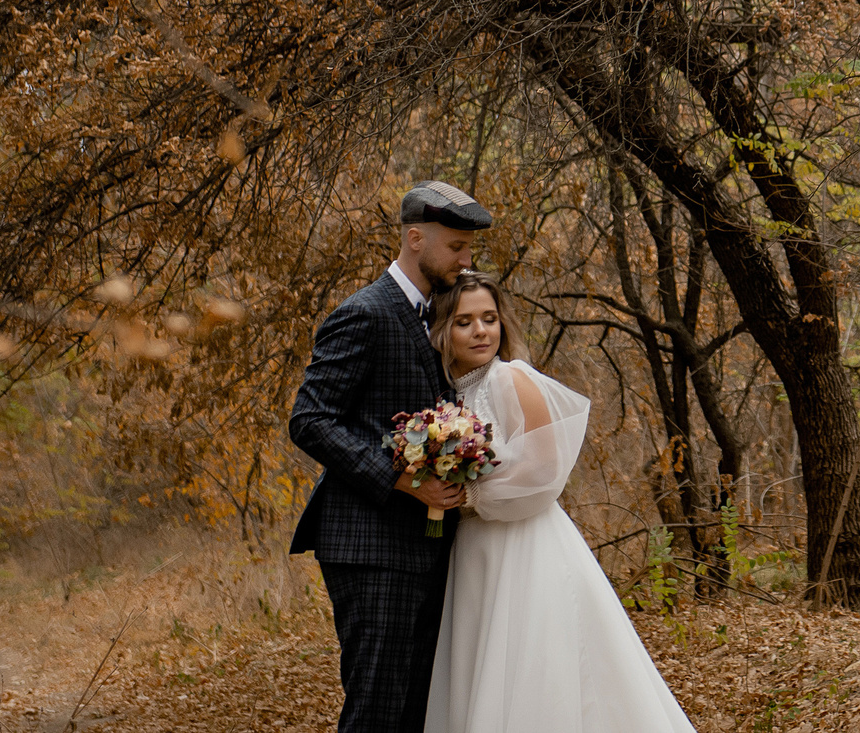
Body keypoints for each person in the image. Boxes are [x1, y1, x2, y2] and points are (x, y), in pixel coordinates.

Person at [423, 271, 698, 733]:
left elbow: (544, 471)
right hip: (475, 548)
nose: (481, 331)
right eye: (464, 321)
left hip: (526, 545)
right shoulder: (452, 396)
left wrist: (468, 494)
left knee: (538, 661)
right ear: (443, 331)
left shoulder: (510, 378)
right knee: (482, 660)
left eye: (489, 318)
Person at [290, 181, 495, 733]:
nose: (465, 259)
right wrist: (403, 480)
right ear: (414, 238)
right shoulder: (364, 313)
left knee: (415, 713)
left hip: (426, 550)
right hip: (370, 546)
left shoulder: (437, 315)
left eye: (468, 248)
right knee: (376, 712)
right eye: (455, 247)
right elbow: (309, 419)